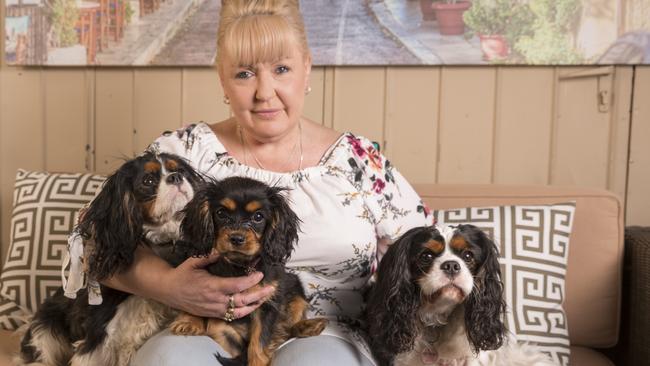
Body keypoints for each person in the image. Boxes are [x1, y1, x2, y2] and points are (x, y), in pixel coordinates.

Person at [69, 1, 434, 364]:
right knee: (170, 359)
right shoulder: (182, 155)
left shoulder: (359, 160)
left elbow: (427, 251)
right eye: (244, 73)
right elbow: (89, 241)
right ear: (222, 79)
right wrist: (169, 286)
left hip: (325, 329)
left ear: (307, 70)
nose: (264, 92)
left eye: (282, 69)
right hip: (199, 324)